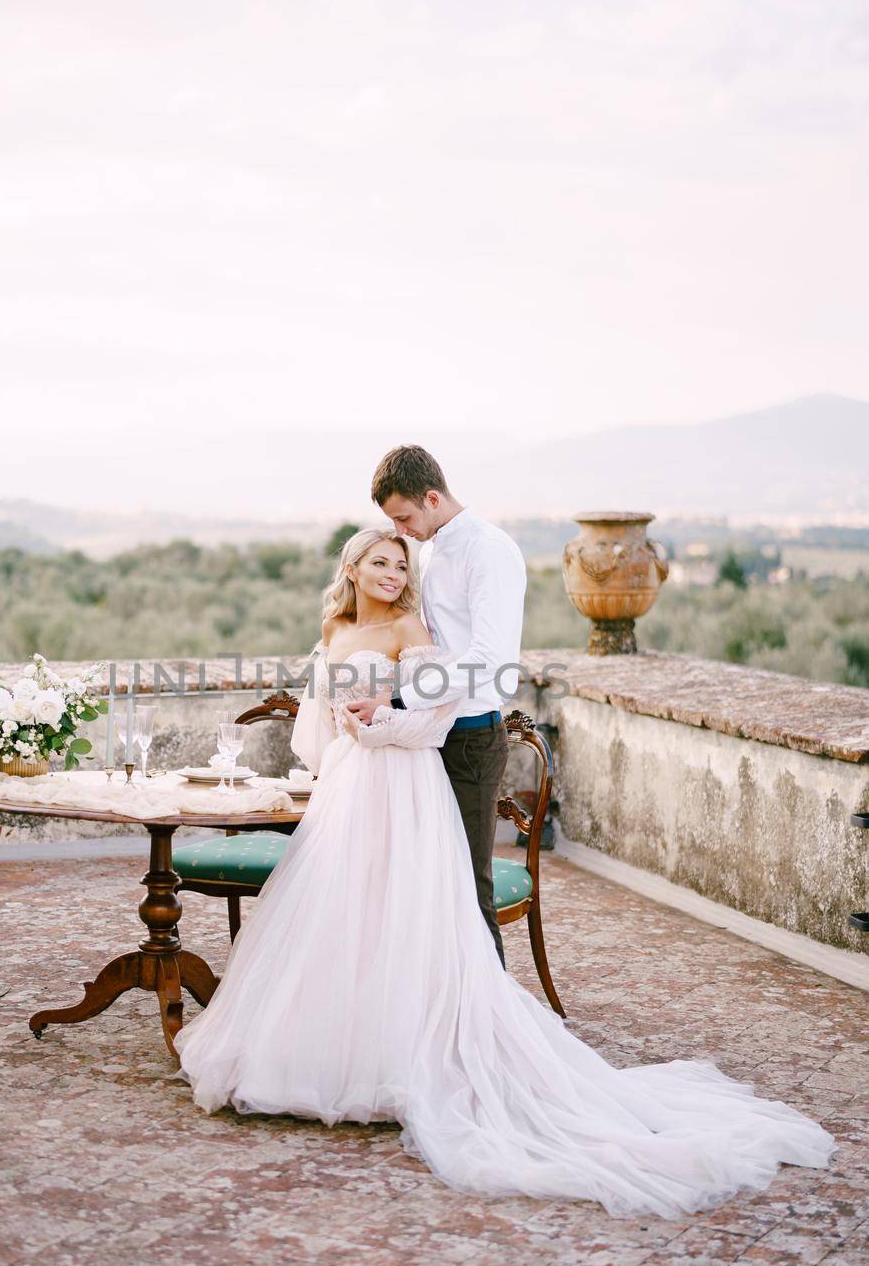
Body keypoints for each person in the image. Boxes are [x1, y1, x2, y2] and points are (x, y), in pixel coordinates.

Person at [172, 526, 836, 1219]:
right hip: (347, 787)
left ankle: (400, 1060)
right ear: (352, 568)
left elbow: (431, 722)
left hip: (403, 784)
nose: (393, 573)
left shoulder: (411, 630)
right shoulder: (334, 629)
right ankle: (324, 1051)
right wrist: (340, 731)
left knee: (404, 911)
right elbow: (312, 729)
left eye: (401, 563)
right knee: (345, 912)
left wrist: (375, 723)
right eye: (380, 561)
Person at [348, 445, 524, 969]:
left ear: (431, 497)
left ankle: (489, 1022)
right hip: (427, 736)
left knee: (469, 885)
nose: (401, 530)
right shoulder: (431, 549)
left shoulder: (487, 549)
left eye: (404, 517)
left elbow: (489, 660)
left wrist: (396, 698)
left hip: (470, 737)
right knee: (426, 885)